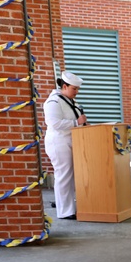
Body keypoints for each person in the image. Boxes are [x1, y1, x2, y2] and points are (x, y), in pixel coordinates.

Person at [44, 71, 87, 219]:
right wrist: (77, 122)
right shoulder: (53, 102)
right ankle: (65, 211)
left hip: (69, 141)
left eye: (77, 89)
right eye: (74, 88)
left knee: (69, 176)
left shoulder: (69, 101)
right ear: (64, 86)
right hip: (59, 143)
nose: (77, 92)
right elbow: (54, 123)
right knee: (63, 176)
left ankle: (64, 203)